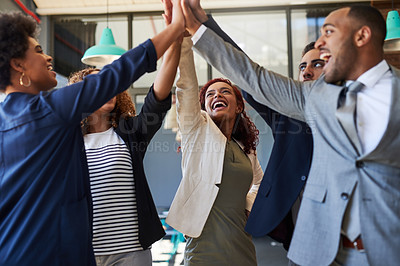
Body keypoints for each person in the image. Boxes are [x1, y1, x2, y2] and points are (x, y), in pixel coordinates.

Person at [180, 2, 400, 266]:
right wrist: (199, 25)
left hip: (386, 251)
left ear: (361, 36)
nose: (320, 41)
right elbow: (253, 77)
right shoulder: (313, 97)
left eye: (328, 32)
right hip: (311, 248)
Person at [0, 3, 184, 264]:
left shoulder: (22, 122)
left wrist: (175, 40)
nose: (49, 57)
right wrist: (175, 28)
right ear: (18, 65)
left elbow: (154, 93)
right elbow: (119, 71)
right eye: (39, 51)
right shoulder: (53, 114)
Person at [180, 0, 325, 251]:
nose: (307, 71)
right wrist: (204, 23)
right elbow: (248, 74)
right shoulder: (286, 113)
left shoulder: (354, 109)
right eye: (303, 66)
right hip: (300, 233)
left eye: (317, 64)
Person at [68, 32, 180, 266]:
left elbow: (157, 97)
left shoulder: (131, 132)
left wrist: (175, 39)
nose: (107, 89)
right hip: (82, 252)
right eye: (97, 85)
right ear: (79, 95)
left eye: (109, 84)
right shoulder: (68, 141)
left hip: (131, 252)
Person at [164, 31, 264, 264]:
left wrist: (248, 205)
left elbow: (260, 182)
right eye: (210, 94)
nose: (216, 95)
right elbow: (187, 86)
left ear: (239, 106)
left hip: (242, 246)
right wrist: (183, 41)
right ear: (205, 107)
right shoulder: (195, 131)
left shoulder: (245, 148)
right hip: (203, 250)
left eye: (224, 91)